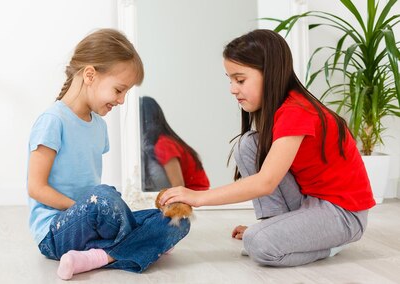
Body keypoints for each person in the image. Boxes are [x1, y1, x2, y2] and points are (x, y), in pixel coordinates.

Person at [159, 29, 375, 267]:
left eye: (240, 80)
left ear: (270, 74)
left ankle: (326, 244)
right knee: (248, 144)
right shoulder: (283, 109)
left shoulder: (296, 111)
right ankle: (278, 228)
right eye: (230, 80)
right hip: (309, 201)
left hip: (343, 215)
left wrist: (198, 197)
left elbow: (266, 182)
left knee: (258, 243)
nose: (232, 88)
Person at [27, 28, 190, 280]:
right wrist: (86, 207)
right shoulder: (52, 121)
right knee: (104, 195)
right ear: (90, 75)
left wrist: (98, 207)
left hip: (94, 221)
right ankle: (143, 244)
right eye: (119, 90)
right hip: (56, 232)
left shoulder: (99, 126)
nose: (122, 100)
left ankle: (98, 257)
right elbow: (36, 188)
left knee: (176, 219)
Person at [140, 96, 210, 191]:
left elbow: (178, 185)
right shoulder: (164, 141)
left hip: (196, 198)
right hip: (196, 196)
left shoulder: (164, 144)